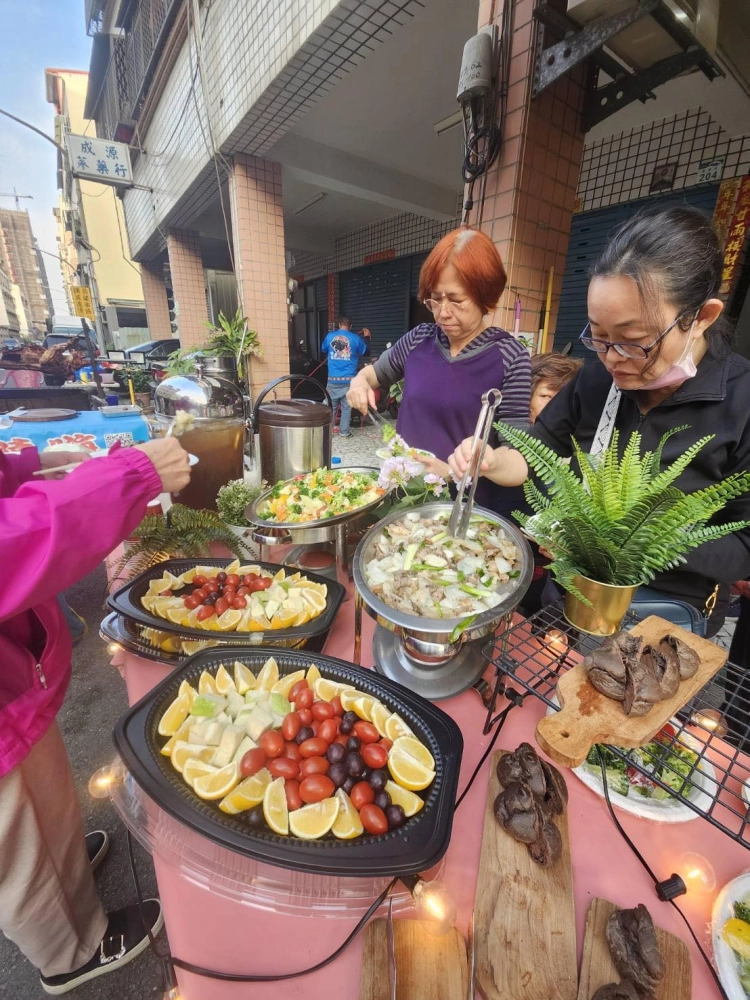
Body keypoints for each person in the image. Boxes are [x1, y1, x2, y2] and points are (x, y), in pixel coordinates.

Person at [449, 206, 750, 636]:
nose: (611, 358)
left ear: (700, 318)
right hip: (570, 598)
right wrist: (492, 461)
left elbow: (744, 541)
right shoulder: (595, 379)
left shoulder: (742, 401)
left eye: (632, 342)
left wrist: (644, 541)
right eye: (598, 336)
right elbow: (538, 452)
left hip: (664, 620)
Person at [0, 436, 191, 994]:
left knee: (45, 796)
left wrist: (24, 467)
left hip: (13, 676)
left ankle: (64, 873)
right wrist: (128, 478)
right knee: (16, 837)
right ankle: (70, 949)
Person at [347, 227, 531, 518]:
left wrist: (485, 462)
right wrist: (358, 382)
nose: (443, 312)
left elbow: (520, 461)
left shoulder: (510, 356)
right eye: (435, 299)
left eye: (456, 300)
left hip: (464, 513)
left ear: (485, 295)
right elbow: (374, 374)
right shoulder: (419, 339)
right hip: (402, 501)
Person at [321, 318, 370, 438]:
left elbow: (323, 349)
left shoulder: (330, 336)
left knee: (330, 407)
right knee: (346, 407)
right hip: (349, 381)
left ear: (339, 324)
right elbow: (366, 352)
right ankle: (344, 432)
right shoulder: (356, 338)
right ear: (351, 326)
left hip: (333, 380)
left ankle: (328, 434)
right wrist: (366, 337)